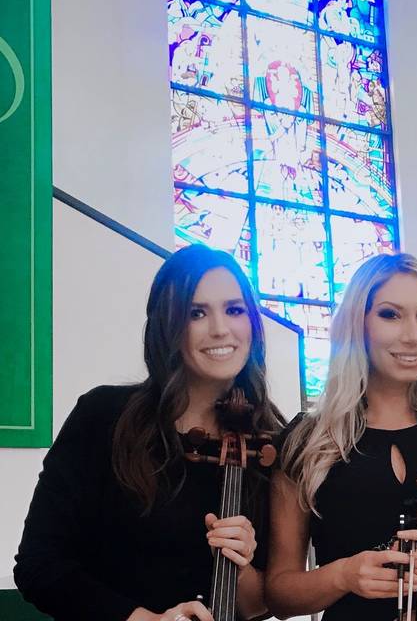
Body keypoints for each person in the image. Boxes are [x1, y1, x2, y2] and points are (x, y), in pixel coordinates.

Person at [15, 244, 286, 621]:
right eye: (197, 313)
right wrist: (147, 619)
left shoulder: (271, 442)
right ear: (169, 326)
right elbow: (38, 564)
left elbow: (261, 606)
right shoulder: (104, 417)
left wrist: (239, 565)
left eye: (234, 309)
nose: (221, 328)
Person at [266, 253, 417, 620]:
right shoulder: (309, 440)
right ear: (357, 324)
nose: (413, 336)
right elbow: (280, 595)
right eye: (390, 315)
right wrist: (342, 576)